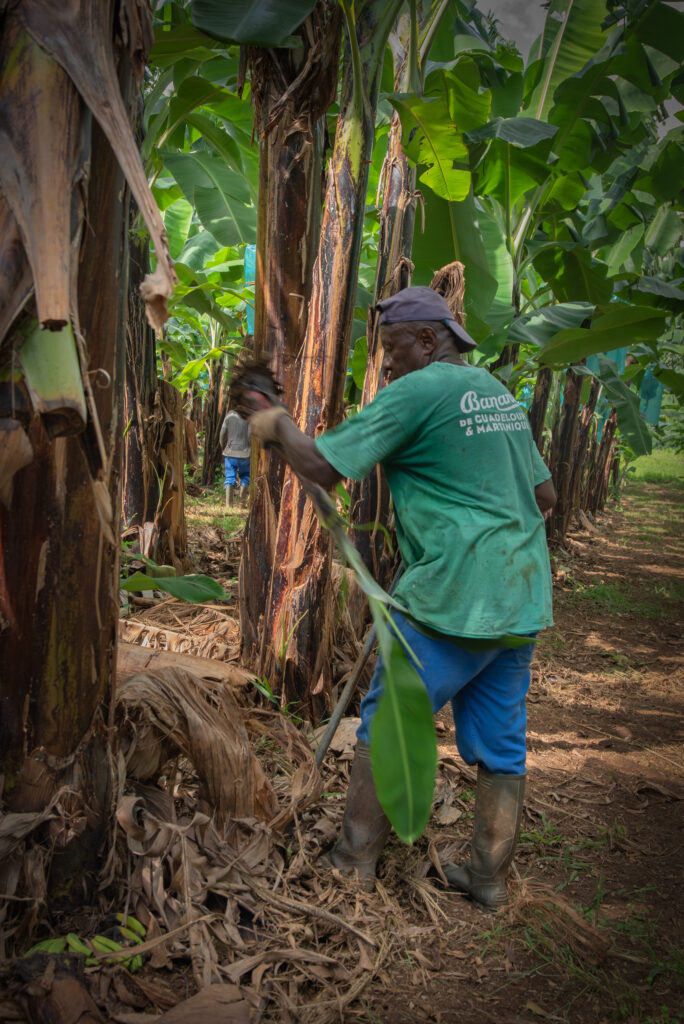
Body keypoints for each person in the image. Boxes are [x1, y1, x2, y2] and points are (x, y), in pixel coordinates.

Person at [249, 286, 556, 910]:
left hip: (454, 594)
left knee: (387, 722)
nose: (385, 365)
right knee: (502, 743)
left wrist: (270, 415)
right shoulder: (496, 393)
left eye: (391, 350)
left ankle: (354, 861)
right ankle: (489, 878)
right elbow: (544, 498)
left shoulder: (417, 390)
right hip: (520, 595)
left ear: (426, 340)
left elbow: (321, 466)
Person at [220, 407, 251, 507]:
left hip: (230, 452)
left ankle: (229, 505)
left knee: (229, 477)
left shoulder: (230, 414)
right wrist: (250, 447)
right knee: (246, 476)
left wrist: (223, 445)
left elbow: (222, 432)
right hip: (245, 453)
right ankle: (241, 504)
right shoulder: (250, 415)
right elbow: (250, 434)